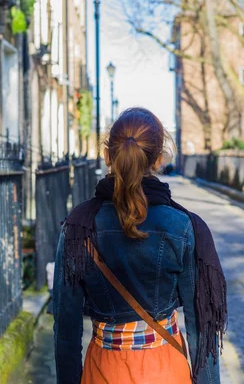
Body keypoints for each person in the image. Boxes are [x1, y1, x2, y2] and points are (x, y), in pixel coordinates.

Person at [53, 108, 227, 384]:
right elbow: (201, 326)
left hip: (104, 370)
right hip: (165, 369)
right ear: (158, 160)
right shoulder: (183, 226)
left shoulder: (78, 226)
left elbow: (66, 326)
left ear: (108, 156)